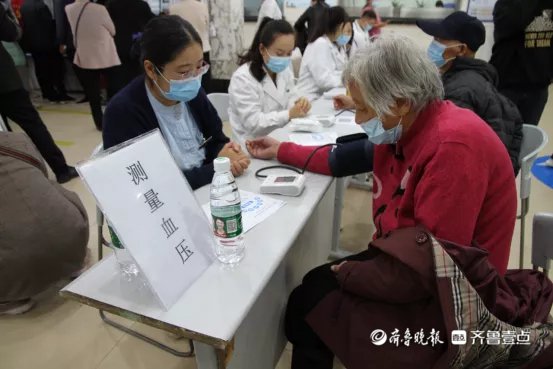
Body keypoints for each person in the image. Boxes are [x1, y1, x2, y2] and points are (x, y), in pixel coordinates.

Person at [247, 35, 520, 367]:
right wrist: (281, 150)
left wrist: (351, 273)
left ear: (402, 101)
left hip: (453, 298)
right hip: (408, 252)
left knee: (308, 307)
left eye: (363, 107)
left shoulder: (453, 147)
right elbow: (341, 158)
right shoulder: (407, 125)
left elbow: (433, 269)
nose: (360, 119)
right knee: (313, 288)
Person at [103, 16, 250, 190]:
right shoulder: (124, 112)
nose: (194, 77)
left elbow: (215, 139)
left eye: (199, 66)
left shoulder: (193, 94)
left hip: (207, 191)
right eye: (184, 71)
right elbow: (150, 185)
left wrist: (227, 154)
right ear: (151, 69)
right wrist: (217, 168)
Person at [418, 11, 523, 174]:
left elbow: (444, 149)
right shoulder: (474, 77)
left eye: (439, 40)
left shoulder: (460, 91)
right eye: (434, 39)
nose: (433, 45)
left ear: (461, 49)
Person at [0, 132, 89, 315]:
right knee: (48, 191)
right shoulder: (17, 139)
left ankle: (10, 298)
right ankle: (74, 263)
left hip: (17, 264)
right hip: (73, 235)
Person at [0, 1, 78, 183]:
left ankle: (13, 177)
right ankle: (61, 169)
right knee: (32, 124)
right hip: (5, 82)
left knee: (4, 133)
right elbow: (13, 33)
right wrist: (8, 13)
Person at [229, 18, 311, 148]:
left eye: (289, 53)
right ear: (262, 49)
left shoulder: (284, 71)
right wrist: (289, 114)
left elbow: (291, 97)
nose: (284, 59)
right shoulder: (243, 78)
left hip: (281, 137)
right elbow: (254, 123)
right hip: (252, 147)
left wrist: (300, 104)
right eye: (279, 53)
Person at [490, 0, 553, 125]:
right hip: (506, 85)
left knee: (527, 138)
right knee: (499, 136)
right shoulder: (507, 4)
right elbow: (515, 22)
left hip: (538, 87)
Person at [65, 0, 122, 130]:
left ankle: (99, 123)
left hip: (85, 54)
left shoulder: (68, 8)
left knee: (92, 93)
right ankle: (115, 118)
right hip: (105, 54)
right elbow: (112, 30)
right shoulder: (99, 9)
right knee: (113, 88)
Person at [20, 0, 73, 103]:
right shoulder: (43, 6)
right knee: (55, 69)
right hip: (49, 43)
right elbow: (50, 24)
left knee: (41, 70)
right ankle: (59, 93)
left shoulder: (24, 6)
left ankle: (47, 93)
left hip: (34, 44)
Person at [297, 6, 350, 101]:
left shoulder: (333, 45)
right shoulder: (320, 44)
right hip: (309, 99)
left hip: (323, 96)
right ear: (339, 26)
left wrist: (347, 77)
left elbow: (335, 73)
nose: (346, 34)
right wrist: (347, 79)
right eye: (346, 30)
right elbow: (324, 81)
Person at [106, 0, 154, 88]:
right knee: (136, 72)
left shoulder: (112, 4)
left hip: (118, 43)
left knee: (119, 73)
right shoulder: (142, 4)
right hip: (136, 43)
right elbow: (151, 22)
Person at [169, 0, 213, 93]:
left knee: (185, 82)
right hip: (202, 49)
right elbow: (207, 25)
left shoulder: (173, 8)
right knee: (204, 81)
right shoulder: (202, 7)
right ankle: (205, 100)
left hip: (182, 51)